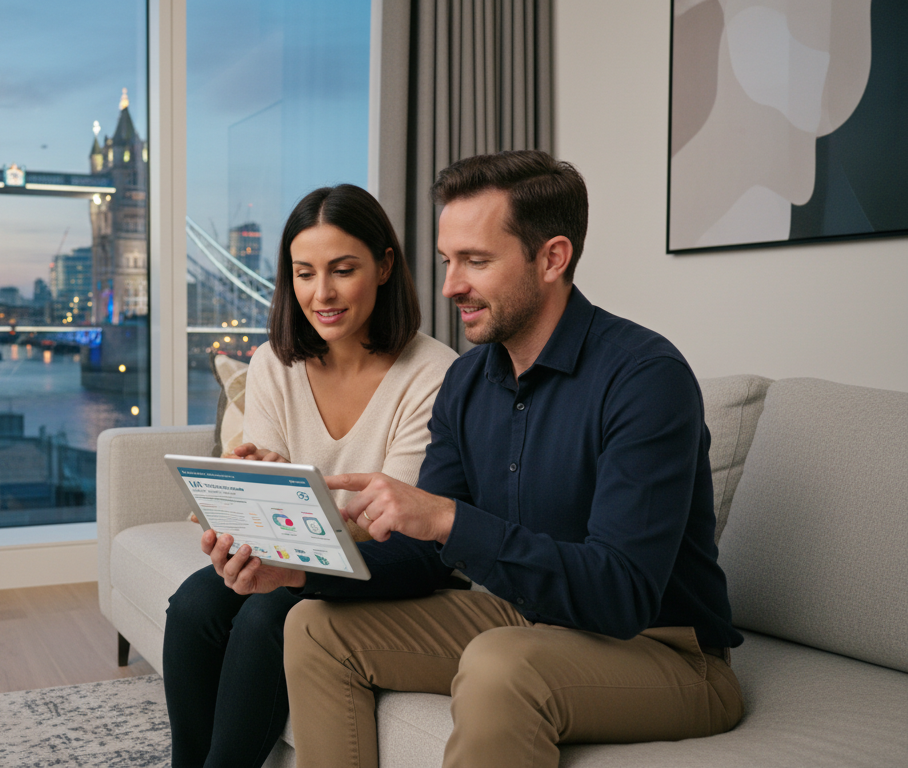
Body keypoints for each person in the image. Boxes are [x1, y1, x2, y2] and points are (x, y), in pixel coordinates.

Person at [210, 150, 746, 768]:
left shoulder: (645, 380)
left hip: (664, 648)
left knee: (499, 663)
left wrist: (447, 519)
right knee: (312, 626)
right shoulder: (467, 384)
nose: (449, 285)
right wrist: (296, 571)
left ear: (552, 258)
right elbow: (421, 560)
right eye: (446, 260)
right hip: (521, 615)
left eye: (476, 261)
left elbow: (620, 594)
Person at [163, 184, 458, 768]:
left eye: (342, 270)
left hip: (385, 569)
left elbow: (390, 527)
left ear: (383, 266)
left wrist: (292, 503)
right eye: (303, 273)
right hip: (298, 549)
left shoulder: (433, 373)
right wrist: (243, 495)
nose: (320, 294)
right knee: (196, 603)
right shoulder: (276, 361)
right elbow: (272, 507)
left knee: (271, 613)